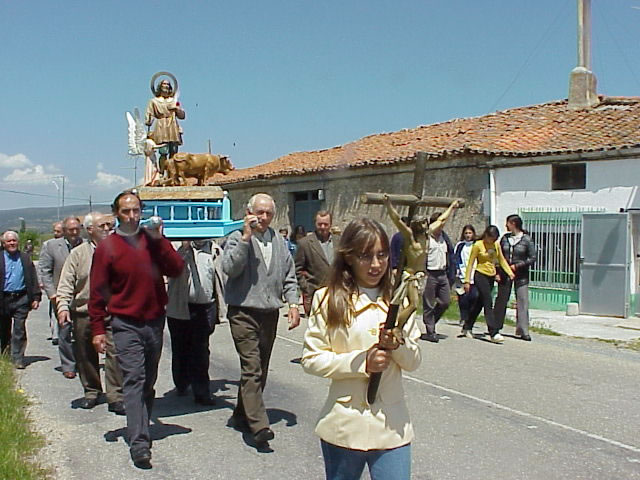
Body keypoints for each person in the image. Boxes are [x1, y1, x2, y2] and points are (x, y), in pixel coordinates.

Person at [301, 218, 421, 480]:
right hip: (344, 425)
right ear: (349, 257)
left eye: (382, 255)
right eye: (366, 256)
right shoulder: (328, 299)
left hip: (392, 427)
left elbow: (413, 361)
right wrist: (361, 362)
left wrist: (396, 345)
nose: (376, 264)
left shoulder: (400, 301)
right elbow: (311, 359)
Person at [89, 190, 184, 469]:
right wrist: (98, 328)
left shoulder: (152, 241)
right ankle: (139, 442)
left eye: (136, 211)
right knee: (133, 379)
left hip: (154, 321)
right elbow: (97, 292)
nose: (132, 216)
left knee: (148, 381)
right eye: (126, 211)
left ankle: (140, 424)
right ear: (116, 214)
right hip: (124, 323)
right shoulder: (108, 247)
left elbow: (176, 269)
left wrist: (161, 239)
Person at [222, 193, 300, 447]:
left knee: (261, 369)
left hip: (269, 313)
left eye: (269, 214)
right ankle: (259, 426)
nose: (264, 218)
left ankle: (241, 414)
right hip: (243, 312)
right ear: (249, 213)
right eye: (260, 212)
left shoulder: (279, 241)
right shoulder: (236, 238)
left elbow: (289, 275)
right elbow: (230, 268)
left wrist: (294, 304)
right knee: (252, 367)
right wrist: (246, 238)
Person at [56, 213, 124, 414]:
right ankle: (92, 391)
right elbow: (66, 281)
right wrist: (62, 306)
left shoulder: (119, 250)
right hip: (84, 311)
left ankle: (116, 396)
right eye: (102, 225)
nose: (107, 229)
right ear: (89, 230)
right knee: (85, 353)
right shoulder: (78, 254)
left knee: (115, 353)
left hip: (112, 311)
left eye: (110, 225)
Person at [166, 239, 226, 405]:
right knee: (180, 347)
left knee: (201, 350)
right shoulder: (177, 247)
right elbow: (171, 269)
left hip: (204, 307)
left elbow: (222, 276)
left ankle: (201, 392)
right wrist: (184, 249)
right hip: (180, 307)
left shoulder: (215, 250)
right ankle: (182, 382)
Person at [39, 216, 83, 378]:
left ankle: (82, 362)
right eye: (71, 229)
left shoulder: (86, 245)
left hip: (82, 296)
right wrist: (52, 294)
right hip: (60, 295)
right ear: (64, 230)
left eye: (77, 229)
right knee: (64, 331)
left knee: (82, 332)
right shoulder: (51, 246)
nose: (74, 232)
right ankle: (68, 365)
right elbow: (45, 271)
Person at [463, 225, 515, 343]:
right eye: (491, 238)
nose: (493, 241)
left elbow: (501, 260)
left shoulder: (496, 245)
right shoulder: (478, 245)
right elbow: (470, 264)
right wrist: (467, 281)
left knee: (480, 303)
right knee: (488, 302)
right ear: (486, 235)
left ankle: (467, 326)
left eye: (495, 239)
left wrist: (509, 272)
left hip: (491, 276)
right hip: (480, 275)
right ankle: (493, 332)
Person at [0, 231, 41, 369]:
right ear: (3, 243)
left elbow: (32, 278)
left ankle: (18, 357)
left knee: (19, 328)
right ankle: (5, 354)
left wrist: (36, 297)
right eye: (9, 241)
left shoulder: (25, 258)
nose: (12, 243)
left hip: (21, 298)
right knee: (4, 328)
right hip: (3, 299)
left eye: (14, 240)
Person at [494, 214, 537, 342]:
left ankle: (523, 330)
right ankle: (495, 327)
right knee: (501, 300)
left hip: (521, 275)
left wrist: (517, 266)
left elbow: (532, 258)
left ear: (513, 224)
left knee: (522, 301)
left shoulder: (526, 240)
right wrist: (498, 271)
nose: (506, 225)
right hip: (505, 274)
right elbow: (498, 255)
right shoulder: (505, 238)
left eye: (507, 223)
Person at [421, 205, 459, 342]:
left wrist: (452, 272)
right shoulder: (426, 238)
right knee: (429, 303)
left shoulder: (445, 238)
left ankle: (431, 321)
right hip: (430, 273)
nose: (441, 226)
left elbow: (450, 255)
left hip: (442, 273)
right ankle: (430, 331)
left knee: (445, 302)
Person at [295, 210, 340, 316]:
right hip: (315, 295)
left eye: (326, 224)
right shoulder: (305, 243)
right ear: (315, 223)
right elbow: (297, 269)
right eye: (320, 224)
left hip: (337, 294)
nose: (323, 227)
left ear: (330, 224)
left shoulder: (339, 241)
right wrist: (306, 288)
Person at [145, 78, 186, 172]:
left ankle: (172, 173)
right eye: (164, 84)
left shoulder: (173, 100)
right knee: (163, 151)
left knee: (174, 151)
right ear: (160, 86)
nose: (166, 86)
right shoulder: (154, 101)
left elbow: (182, 116)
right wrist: (149, 120)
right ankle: (162, 172)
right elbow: (149, 115)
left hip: (172, 125)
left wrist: (177, 109)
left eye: (168, 84)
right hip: (161, 126)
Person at [41, 221, 64, 345]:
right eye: (54, 231)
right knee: (54, 310)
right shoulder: (48, 245)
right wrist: (45, 284)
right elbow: (44, 266)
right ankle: (56, 334)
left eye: (58, 231)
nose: (56, 233)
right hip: (55, 284)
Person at [454, 225, 478, 332]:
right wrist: (457, 270)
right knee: (463, 297)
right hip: (462, 273)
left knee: (474, 296)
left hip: (474, 273)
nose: (468, 235)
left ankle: (470, 317)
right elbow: (456, 258)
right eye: (466, 233)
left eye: (470, 233)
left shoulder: (476, 245)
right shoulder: (460, 245)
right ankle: (464, 317)